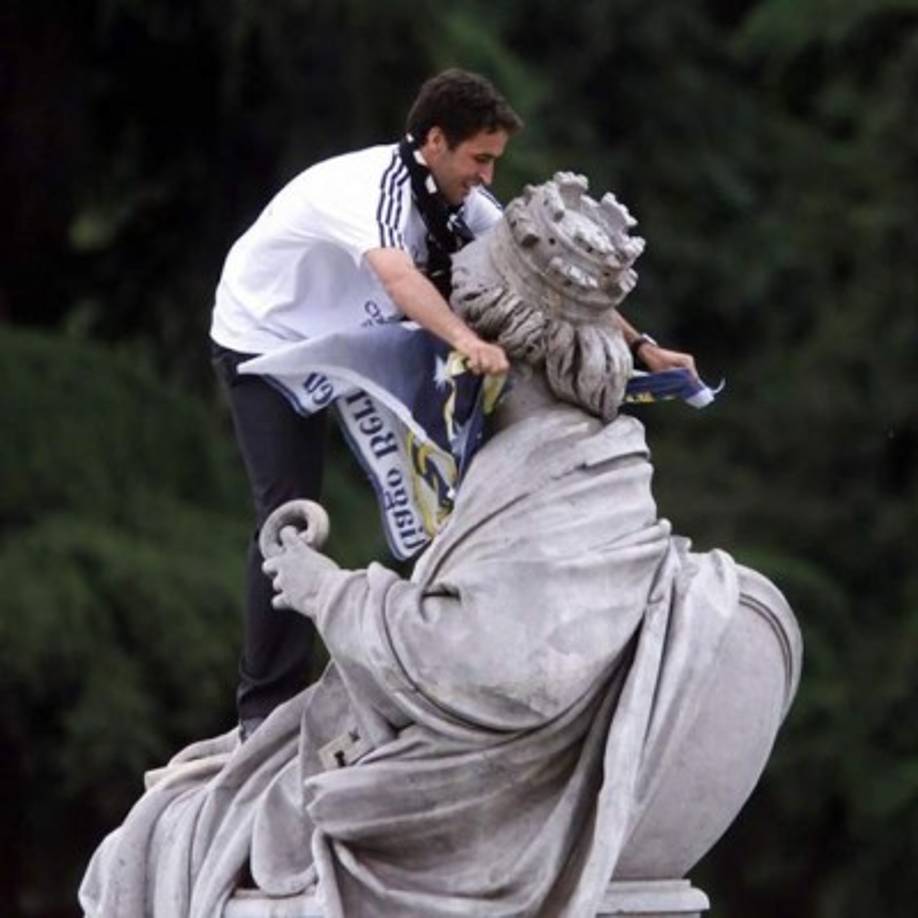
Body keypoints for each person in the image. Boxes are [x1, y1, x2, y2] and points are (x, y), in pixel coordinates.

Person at [209, 69, 694, 740]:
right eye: (480, 159)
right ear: (435, 140)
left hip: (365, 328)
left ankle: (440, 650)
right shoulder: (368, 188)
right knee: (290, 512)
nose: (488, 176)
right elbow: (399, 275)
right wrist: (466, 339)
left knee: (441, 479)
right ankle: (263, 708)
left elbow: (546, 276)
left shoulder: (457, 197)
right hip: (271, 345)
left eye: (495, 161)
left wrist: (643, 347)